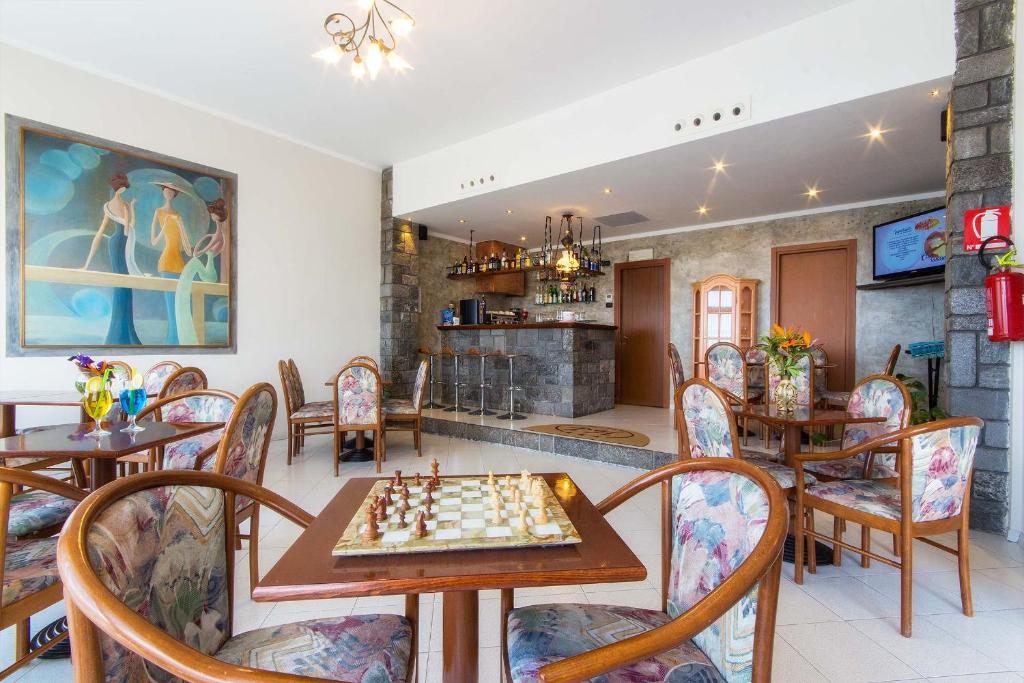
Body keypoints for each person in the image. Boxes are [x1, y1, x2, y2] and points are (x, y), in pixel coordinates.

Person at [82, 172, 142, 345]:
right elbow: (125, 229)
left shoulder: (118, 205)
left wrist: (132, 207)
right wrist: (87, 263)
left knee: (123, 284)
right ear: (119, 188)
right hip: (119, 243)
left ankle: (122, 331)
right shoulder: (116, 206)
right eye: (122, 187)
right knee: (122, 283)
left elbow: (127, 227)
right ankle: (122, 333)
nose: (124, 189)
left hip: (118, 242)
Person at [150, 181, 193, 345]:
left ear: (175, 194)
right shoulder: (159, 212)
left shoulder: (178, 215)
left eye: (171, 191)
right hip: (166, 261)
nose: (168, 193)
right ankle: (172, 339)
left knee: (179, 304)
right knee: (170, 303)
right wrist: (165, 226)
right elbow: (154, 241)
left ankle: (179, 339)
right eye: (165, 190)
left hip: (179, 263)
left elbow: (186, 245)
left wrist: (190, 251)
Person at [193, 198, 230, 284]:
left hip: (210, 274)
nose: (211, 216)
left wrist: (201, 249)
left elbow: (200, 252)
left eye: (213, 215)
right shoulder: (217, 235)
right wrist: (206, 237)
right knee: (193, 264)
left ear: (218, 216)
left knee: (193, 264)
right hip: (209, 273)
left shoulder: (218, 235)